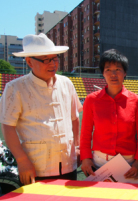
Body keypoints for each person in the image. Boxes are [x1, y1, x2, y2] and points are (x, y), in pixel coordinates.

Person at [0, 33, 82, 185]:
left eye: (55, 58)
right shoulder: (15, 88)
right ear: (30, 62)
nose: (53, 64)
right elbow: (8, 126)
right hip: (35, 165)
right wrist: (22, 159)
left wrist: (77, 147)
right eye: (46, 60)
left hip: (67, 163)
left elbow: (74, 118)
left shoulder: (66, 83)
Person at [80, 49, 138, 180]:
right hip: (99, 163)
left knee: (126, 200)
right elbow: (86, 133)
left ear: (125, 73)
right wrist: (85, 158)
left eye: (118, 69)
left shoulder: (137, 101)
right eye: (108, 70)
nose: (113, 74)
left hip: (128, 164)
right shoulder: (91, 100)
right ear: (103, 73)